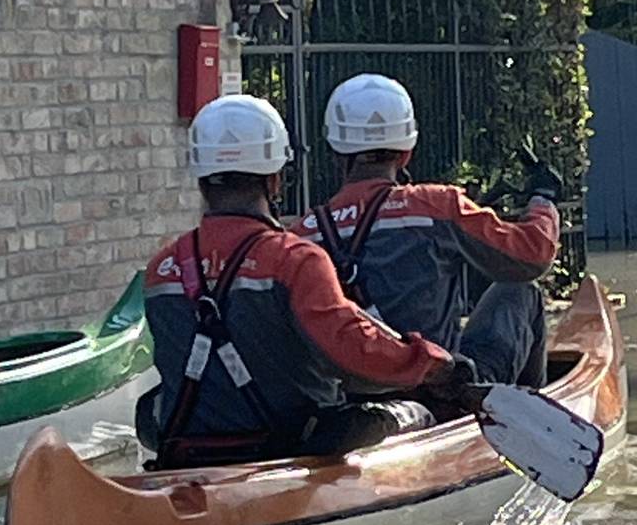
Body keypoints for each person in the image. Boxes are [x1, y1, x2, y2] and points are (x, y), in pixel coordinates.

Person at [138, 95, 473, 469]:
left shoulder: (162, 267)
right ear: (275, 179)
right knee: (419, 413)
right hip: (292, 448)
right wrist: (435, 365)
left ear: (200, 179)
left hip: (189, 450)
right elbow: (355, 352)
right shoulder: (294, 260)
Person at [300, 74, 563, 390]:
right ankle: (535, 408)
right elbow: (533, 256)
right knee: (522, 290)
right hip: (448, 390)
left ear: (335, 152)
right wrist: (542, 202)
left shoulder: (304, 233)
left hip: (353, 399)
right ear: (407, 152)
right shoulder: (437, 205)